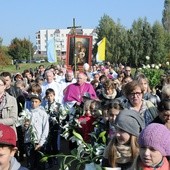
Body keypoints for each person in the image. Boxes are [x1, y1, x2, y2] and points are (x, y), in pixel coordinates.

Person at [23, 94, 49, 170]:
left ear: (40, 102)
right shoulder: (26, 113)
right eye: (32, 101)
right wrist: (25, 126)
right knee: (30, 163)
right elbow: (23, 129)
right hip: (28, 141)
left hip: (38, 142)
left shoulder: (43, 113)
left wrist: (41, 143)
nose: (33, 103)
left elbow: (45, 129)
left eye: (36, 101)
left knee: (40, 163)